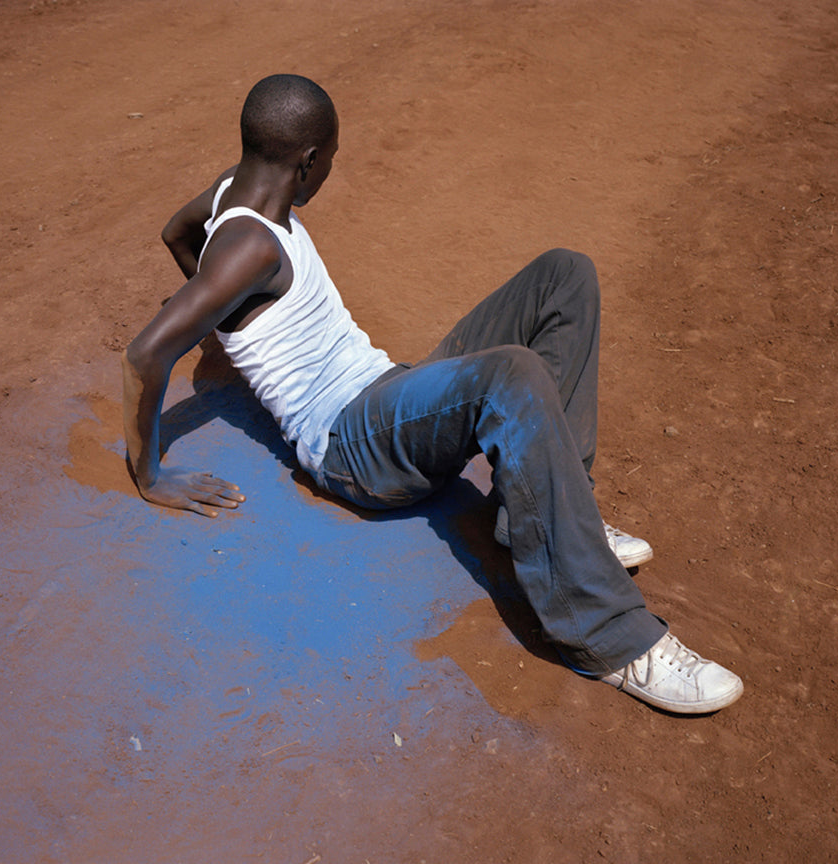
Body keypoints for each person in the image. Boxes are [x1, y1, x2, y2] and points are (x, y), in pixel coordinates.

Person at [122, 74, 744, 714]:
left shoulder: (236, 189)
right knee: (513, 373)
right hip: (351, 446)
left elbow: (177, 231)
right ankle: (610, 638)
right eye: (331, 161)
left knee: (563, 276)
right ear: (307, 164)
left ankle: (541, 516)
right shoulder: (250, 246)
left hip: (385, 391)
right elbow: (145, 355)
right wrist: (149, 476)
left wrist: (234, 324)